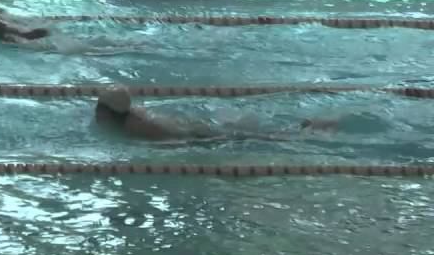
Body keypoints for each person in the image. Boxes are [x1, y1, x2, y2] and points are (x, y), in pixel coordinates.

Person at [95, 86, 338, 142]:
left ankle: (302, 130)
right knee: (242, 132)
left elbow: (169, 143)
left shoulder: (134, 129)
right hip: (192, 125)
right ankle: (300, 128)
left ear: (105, 111)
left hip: (193, 136)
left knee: (250, 137)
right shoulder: (131, 113)